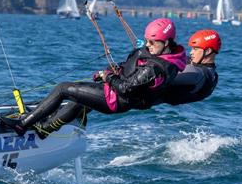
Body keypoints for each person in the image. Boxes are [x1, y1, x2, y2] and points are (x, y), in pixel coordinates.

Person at [5, 18, 187, 137]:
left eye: (152, 42)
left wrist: (107, 76)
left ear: (167, 42)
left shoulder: (157, 68)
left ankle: (22, 125)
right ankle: (46, 128)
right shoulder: (164, 55)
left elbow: (125, 88)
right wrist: (116, 71)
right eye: (147, 41)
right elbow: (134, 70)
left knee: (63, 89)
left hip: (115, 100)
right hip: (115, 94)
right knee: (79, 99)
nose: (148, 45)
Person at [26, 28, 221, 137]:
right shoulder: (208, 72)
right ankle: (58, 121)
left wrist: (136, 68)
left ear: (208, 52)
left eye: (196, 49)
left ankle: (38, 126)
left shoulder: (196, 74)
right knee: (85, 98)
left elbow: (164, 75)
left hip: (140, 98)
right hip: (147, 99)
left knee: (71, 90)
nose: (192, 52)